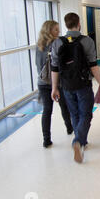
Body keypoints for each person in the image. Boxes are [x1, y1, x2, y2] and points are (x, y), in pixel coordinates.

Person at [50, 13, 100, 163]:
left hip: (66, 85)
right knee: (86, 114)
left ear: (66, 24)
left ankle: (81, 140)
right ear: (79, 24)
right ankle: (79, 141)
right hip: (83, 84)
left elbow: (54, 68)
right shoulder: (87, 41)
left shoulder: (57, 43)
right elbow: (93, 65)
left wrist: (54, 87)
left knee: (74, 114)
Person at [35, 20, 73, 148]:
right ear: (49, 31)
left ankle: (46, 139)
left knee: (47, 110)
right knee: (64, 106)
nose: (59, 32)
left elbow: (38, 65)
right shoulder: (58, 43)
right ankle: (69, 128)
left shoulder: (39, 45)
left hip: (43, 82)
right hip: (57, 81)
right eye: (56, 29)